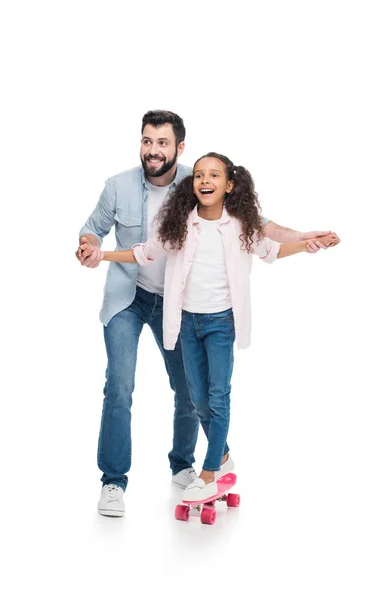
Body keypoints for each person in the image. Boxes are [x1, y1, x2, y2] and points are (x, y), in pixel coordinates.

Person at [77, 110, 337, 517]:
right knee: (121, 385)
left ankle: (187, 465)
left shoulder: (202, 187)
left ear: (179, 148)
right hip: (130, 296)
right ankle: (114, 481)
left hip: (185, 308)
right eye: (147, 141)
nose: (153, 150)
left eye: (163, 143)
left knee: (192, 392)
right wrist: (92, 249)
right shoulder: (121, 187)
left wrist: (303, 239)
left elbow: (261, 229)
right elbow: (114, 237)